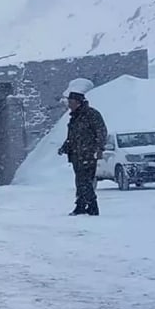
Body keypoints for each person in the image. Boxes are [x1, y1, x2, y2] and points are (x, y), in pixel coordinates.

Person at [56, 78, 108, 216]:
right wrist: (64, 147)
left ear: (78, 102)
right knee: (80, 182)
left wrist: (99, 148)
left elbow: (101, 132)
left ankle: (92, 206)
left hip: (88, 154)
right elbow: (72, 137)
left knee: (85, 181)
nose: (68, 105)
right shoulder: (75, 117)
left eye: (70, 102)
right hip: (76, 155)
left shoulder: (92, 115)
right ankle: (80, 206)